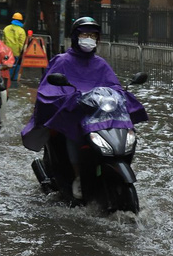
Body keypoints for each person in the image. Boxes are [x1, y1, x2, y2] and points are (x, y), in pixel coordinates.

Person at [21, 17, 147, 199]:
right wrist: (69, 99)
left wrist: (122, 94)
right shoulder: (62, 61)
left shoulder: (101, 64)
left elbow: (114, 86)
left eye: (93, 35)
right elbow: (47, 91)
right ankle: (78, 176)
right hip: (74, 117)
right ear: (75, 37)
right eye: (85, 35)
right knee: (74, 135)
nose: (89, 39)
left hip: (98, 118)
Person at [3, 12, 27, 83]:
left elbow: (3, 41)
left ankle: (7, 78)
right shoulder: (21, 31)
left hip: (7, 52)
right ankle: (14, 79)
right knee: (17, 66)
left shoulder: (6, 28)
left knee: (7, 66)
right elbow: (21, 43)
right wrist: (22, 53)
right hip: (16, 52)